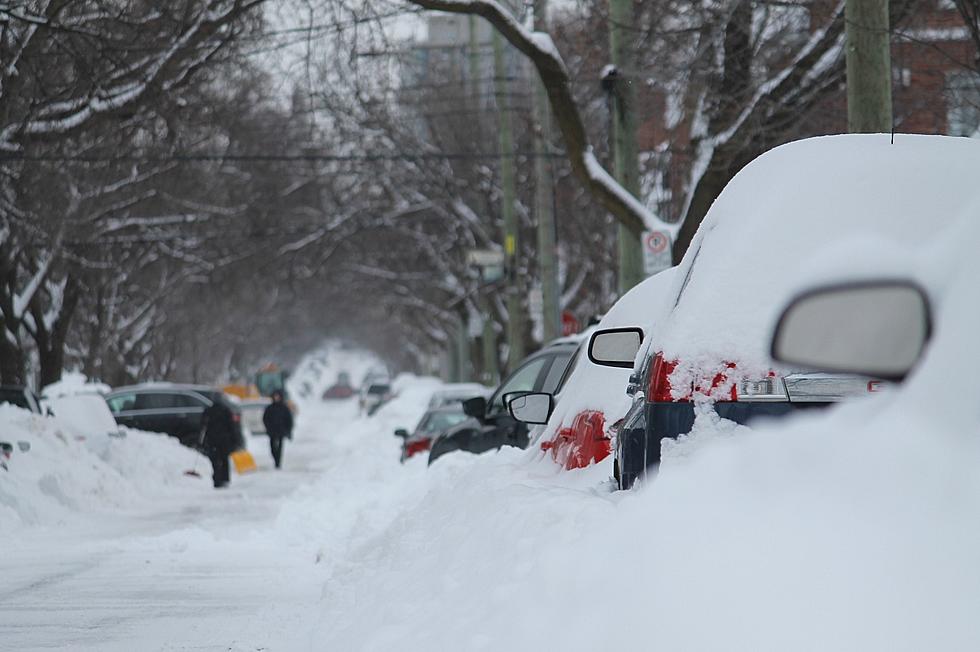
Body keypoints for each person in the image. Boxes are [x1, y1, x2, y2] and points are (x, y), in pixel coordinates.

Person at [201, 398, 237, 488]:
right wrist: (234, 439)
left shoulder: (208, 411)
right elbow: (231, 427)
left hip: (212, 439)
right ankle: (225, 478)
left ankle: (217, 479)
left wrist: (203, 440)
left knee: (215, 460)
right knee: (224, 459)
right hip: (224, 440)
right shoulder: (226, 411)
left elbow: (203, 425)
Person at [262, 390, 293, 469]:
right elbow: (265, 418)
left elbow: (289, 420)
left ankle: (278, 462)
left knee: (280, 447)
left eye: (278, 396)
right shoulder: (269, 408)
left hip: (281, 430)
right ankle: (275, 458)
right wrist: (268, 427)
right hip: (272, 430)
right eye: (275, 396)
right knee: (272, 447)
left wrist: (288, 430)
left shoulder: (284, 408)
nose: (276, 398)